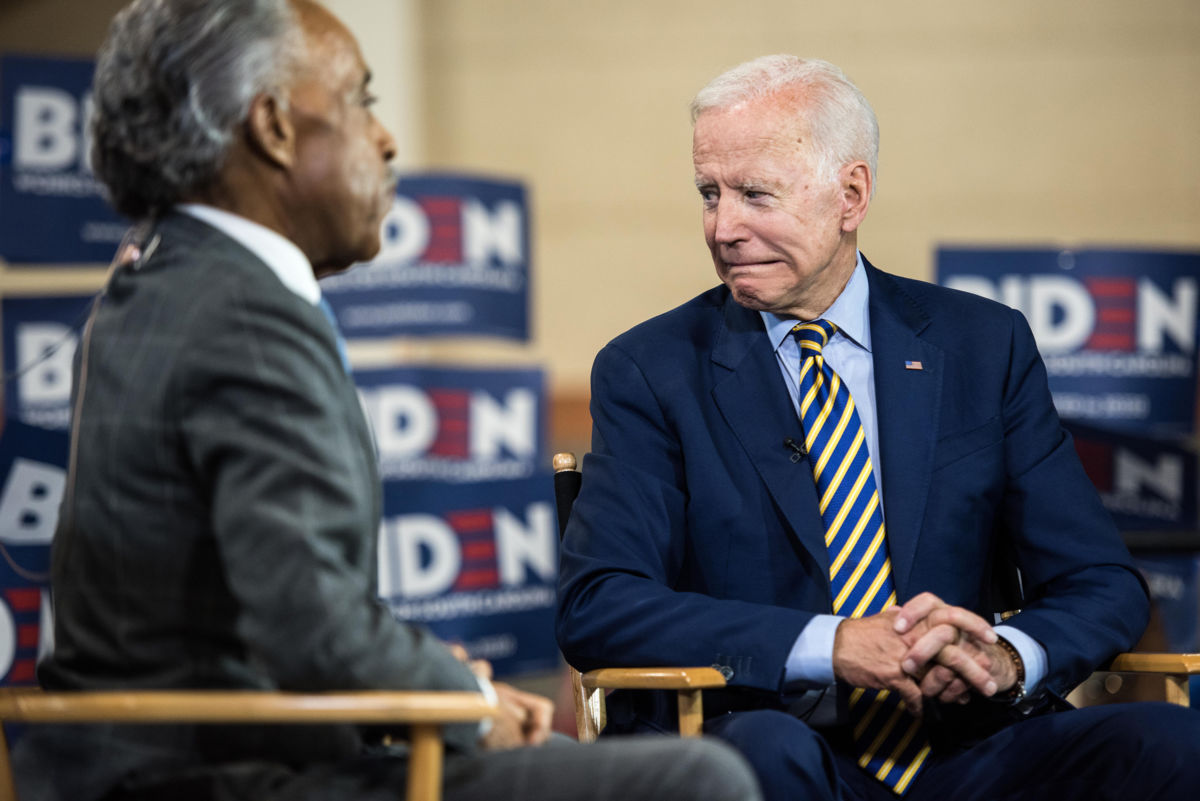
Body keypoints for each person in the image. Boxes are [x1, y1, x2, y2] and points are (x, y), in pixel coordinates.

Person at [13, 2, 763, 800]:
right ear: (273, 126)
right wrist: (467, 703)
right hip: (221, 774)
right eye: (360, 101)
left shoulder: (155, 279)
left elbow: (266, 615)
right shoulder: (244, 312)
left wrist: (441, 684)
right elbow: (314, 627)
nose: (387, 138)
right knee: (696, 780)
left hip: (133, 761)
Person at [555, 54, 1200, 801]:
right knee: (763, 755)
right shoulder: (651, 369)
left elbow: (1102, 582)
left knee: (1171, 742)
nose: (723, 226)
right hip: (773, 734)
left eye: (755, 195)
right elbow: (599, 601)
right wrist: (831, 646)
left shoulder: (982, 347)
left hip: (969, 748)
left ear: (850, 194)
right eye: (709, 193)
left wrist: (1008, 658)